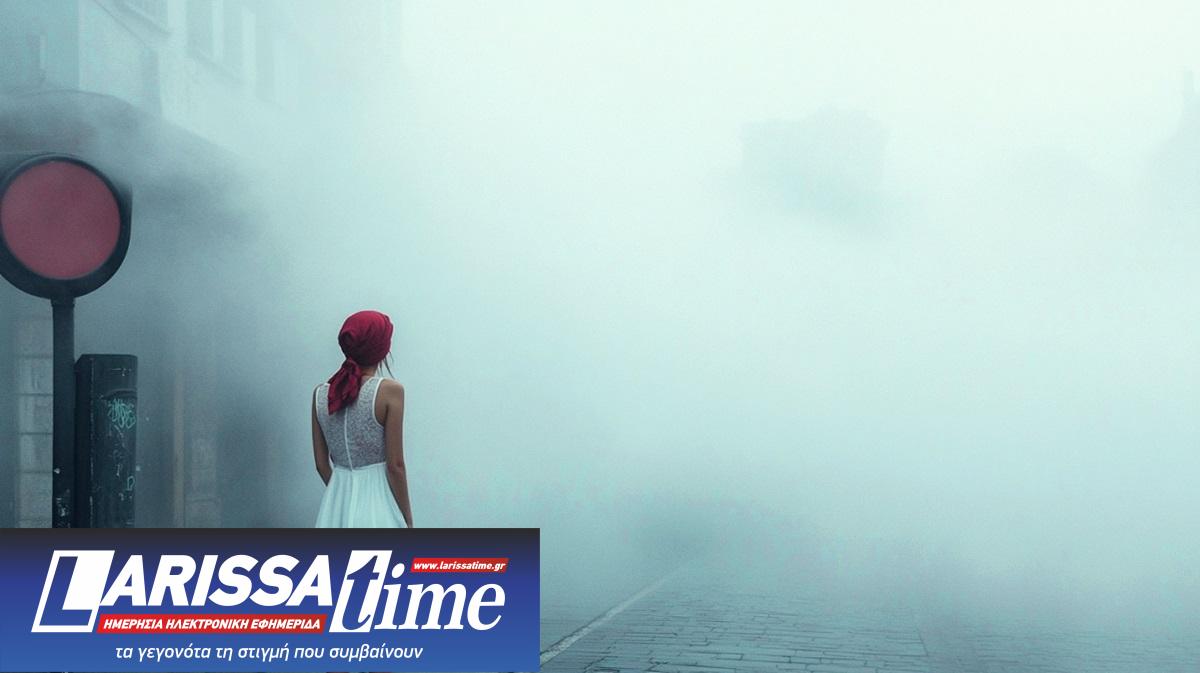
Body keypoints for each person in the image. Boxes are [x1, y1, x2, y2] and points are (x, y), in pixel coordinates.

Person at [312, 310, 413, 528]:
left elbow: (321, 464)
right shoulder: (390, 391)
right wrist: (407, 519)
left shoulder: (320, 394)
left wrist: (342, 494)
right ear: (380, 348)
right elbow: (395, 465)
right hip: (378, 505)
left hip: (336, 506)